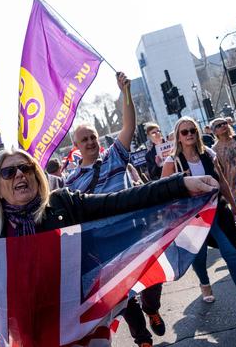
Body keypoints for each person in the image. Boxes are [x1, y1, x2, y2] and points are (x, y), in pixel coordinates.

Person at [0, 148, 219, 347]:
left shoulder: (64, 204)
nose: (19, 175)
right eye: (9, 173)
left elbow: (124, 201)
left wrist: (181, 184)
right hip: (26, 328)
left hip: (78, 319)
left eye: (25, 168)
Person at [65, 72, 166, 347]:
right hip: (104, 244)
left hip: (134, 231)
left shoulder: (115, 157)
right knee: (122, 293)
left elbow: (129, 126)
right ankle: (142, 339)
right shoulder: (70, 181)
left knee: (151, 279)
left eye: (93, 137)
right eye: (84, 139)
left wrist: (125, 93)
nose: (89, 142)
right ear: (76, 146)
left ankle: (152, 308)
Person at [160, 117, 236, 321]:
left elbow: (222, 182)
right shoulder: (172, 162)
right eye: (185, 132)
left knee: (233, 255)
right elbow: (163, 193)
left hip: (218, 211)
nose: (190, 134)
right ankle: (204, 283)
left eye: (192, 130)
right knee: (198, 256)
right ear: (178, 137)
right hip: (192, 219)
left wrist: (235, 208)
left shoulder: (208, 154)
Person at [210, 117, 236, 248]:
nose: (223, 126)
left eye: (224, 123)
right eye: (219, 125)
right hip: (231, 186)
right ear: (214, 131)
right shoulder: (214, 150)